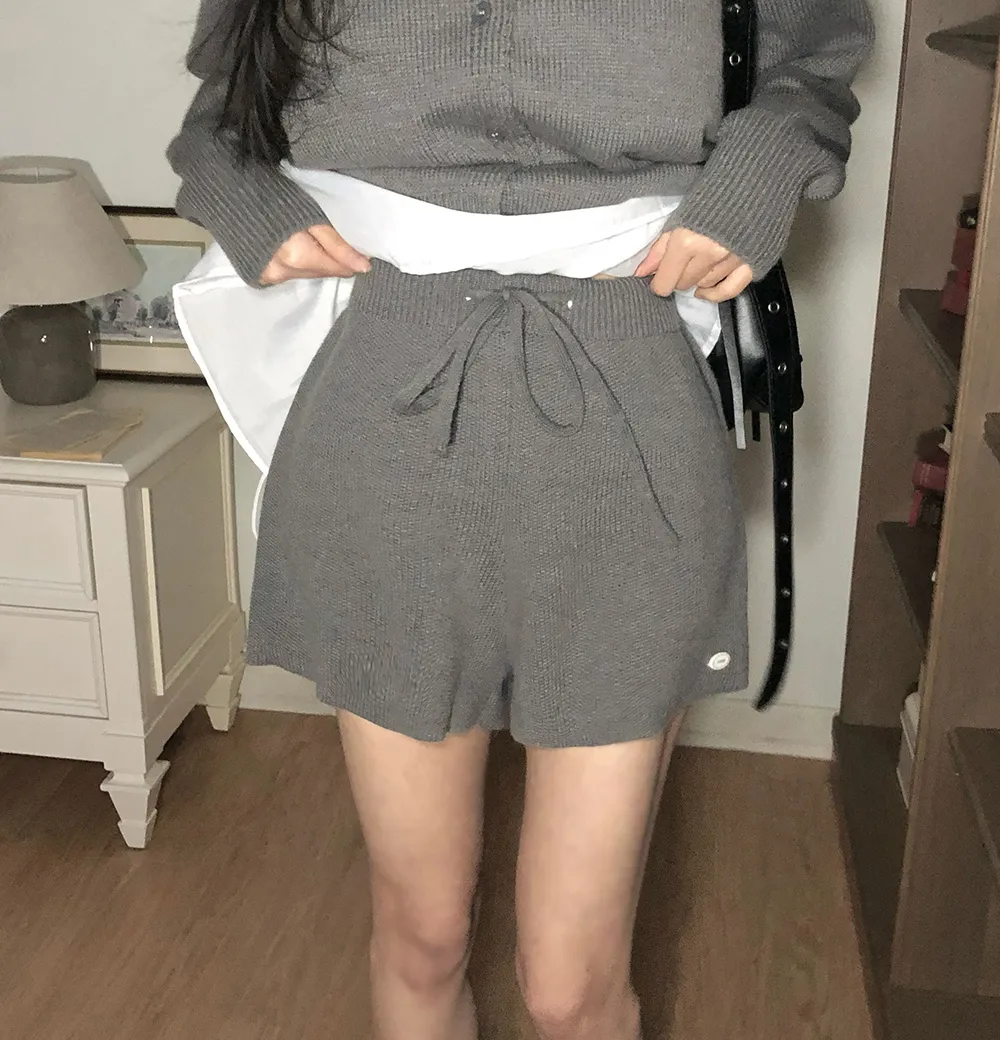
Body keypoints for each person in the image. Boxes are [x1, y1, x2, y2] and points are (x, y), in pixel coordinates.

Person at [167, 2, 874, 1038]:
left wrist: (760, 169)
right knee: (420, 932)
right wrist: (242, 196)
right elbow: (225, 100)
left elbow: (813, 53)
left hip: (628, 390)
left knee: (569, 985)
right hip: (384, 393)